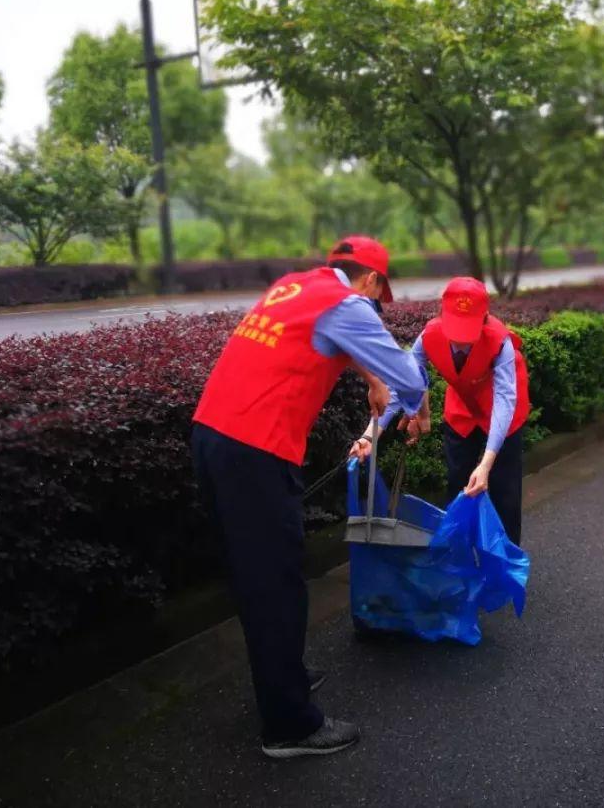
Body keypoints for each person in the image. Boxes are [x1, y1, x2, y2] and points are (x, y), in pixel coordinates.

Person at [192, 236, 428, 759]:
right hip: (252, 449)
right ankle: (289, 725)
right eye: (378, 296)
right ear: (369, 280)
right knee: (276, 582)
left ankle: (287, 677)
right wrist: (414, 401)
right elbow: (408, 376)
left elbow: (324, 341)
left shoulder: (295, 285)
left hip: (211, 434)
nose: (374, 306)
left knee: (257, 573)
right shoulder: (348, 305)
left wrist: (368, 376)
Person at [352, 277, 530, 545]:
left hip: (502, 410)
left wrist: (486, 464)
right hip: (461, 408)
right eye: (454, 330)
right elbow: (404, 383)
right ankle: (459, 555)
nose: (459, 342)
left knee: (504, 491)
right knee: (458, 482)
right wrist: (369, 436)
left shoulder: (499, 342)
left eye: (467, 332)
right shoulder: (430, 336)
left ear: (483, 320)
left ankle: (504, 568)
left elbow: (505, 401)